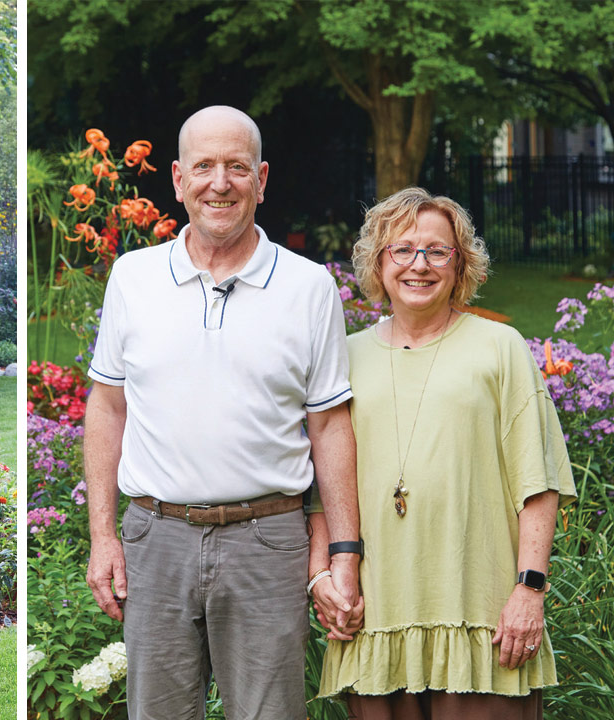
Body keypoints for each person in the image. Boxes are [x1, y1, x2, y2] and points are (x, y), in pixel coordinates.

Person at [84, 105, 363, 720]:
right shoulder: (133, 277)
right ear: (178, 179)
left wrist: (345, 553)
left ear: (261, 179)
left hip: (268, 541)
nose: (221, 183)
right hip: (155, 538)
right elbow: (106, 406)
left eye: (237, 167)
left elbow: (329, 425)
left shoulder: (309, 287)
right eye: (205, 167)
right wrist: (103, 535)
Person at [309, 187, 576, 720]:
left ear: (460, 265)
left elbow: (538, 483)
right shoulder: (345, 357)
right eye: (402, 250)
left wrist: (530, 592)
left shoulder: (499, 348)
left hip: (481, 615)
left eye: (437, 251)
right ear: (378, 262)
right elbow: (321, 488)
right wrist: (322, 578)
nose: (419, 265)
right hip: (378, 615)